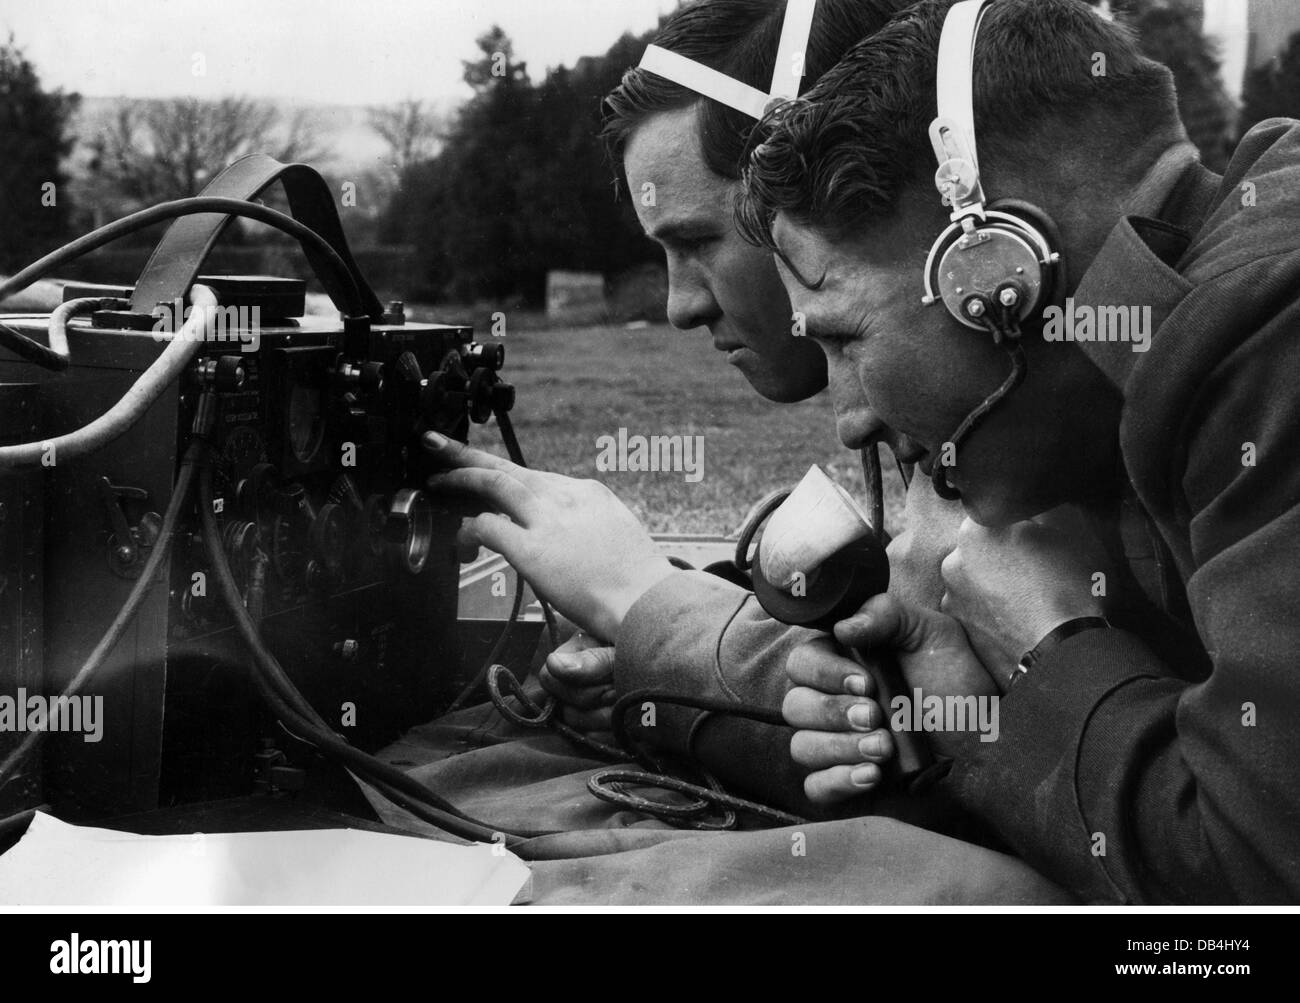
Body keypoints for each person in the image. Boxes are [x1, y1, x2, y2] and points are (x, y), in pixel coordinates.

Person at [731, 0, 1300, 902]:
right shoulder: (1198, 313)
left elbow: (1248, 890)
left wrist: (1051, 644)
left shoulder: (1262, 329)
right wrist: (966, 692)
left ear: (997, 272)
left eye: (845, 339)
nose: (849, 418)